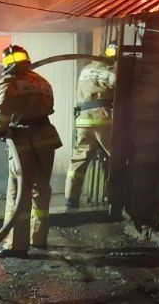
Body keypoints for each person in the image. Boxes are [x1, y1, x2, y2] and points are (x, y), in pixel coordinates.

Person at [0, 44, 61, 258]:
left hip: (23, 140)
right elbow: (48, 107)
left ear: (6, 63)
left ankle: (16, 246)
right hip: (46, 138)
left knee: (18, 192)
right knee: (41, 188)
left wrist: (0, 129)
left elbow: (1, 112)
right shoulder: (41, 81)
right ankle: (38, 238)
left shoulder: (8, 82)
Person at [64, 42, 117, 208]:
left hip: (83, 119)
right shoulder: (115, 71)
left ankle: (70, 197)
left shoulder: (86, 69)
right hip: (104, 120)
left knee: (78, 160)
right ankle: (114, 197)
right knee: (117, 158)